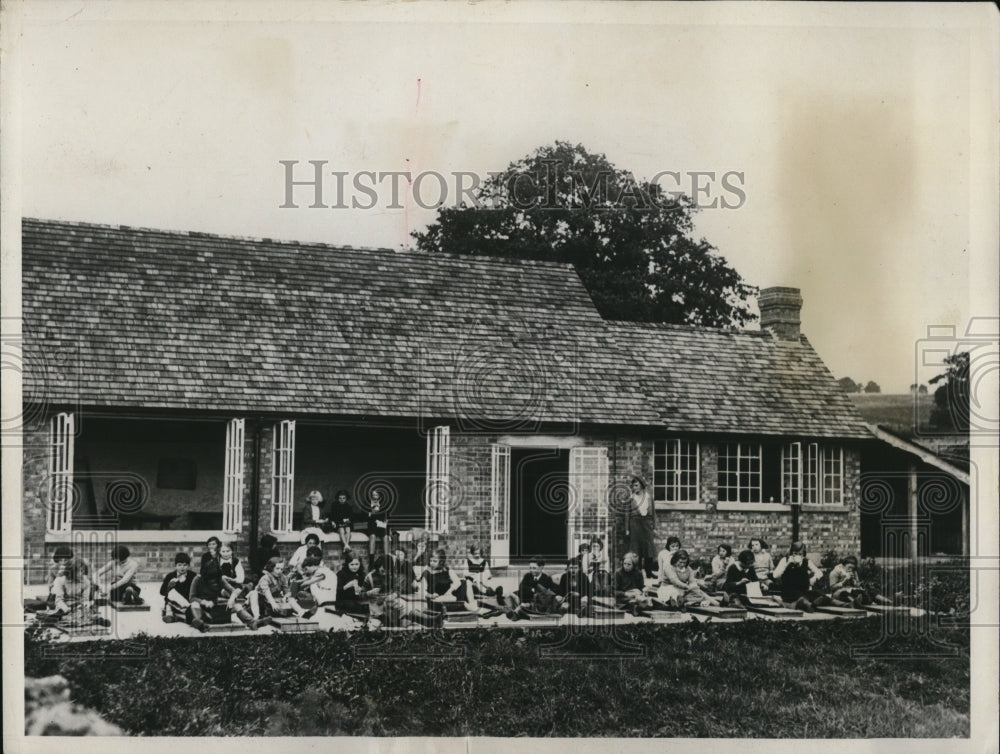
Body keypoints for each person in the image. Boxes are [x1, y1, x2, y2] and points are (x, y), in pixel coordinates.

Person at [190, 553, 260, 631]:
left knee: (237, 606)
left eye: (215, 580)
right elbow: (192, 598)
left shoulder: (220, 579)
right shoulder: (197, 579)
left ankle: (252, 622)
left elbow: (234, 591)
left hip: (215, 608)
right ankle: (199, 623)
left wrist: (232, 598)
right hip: (201, 609)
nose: (213, 582)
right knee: (194, 604)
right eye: (211, 580)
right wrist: (204, 602)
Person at [44, 560, 110, 628]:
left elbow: (85, 599)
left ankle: (91, 620)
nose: (82, 574)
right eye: (80, 571)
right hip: (63, 606)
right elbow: (58, 600)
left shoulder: (86, 581)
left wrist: (83, 606)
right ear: (72, 571)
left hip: (78, 606)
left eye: (83, 571)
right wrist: (67, 609)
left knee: (86, 612)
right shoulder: (60, 580)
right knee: (59, 617)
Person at [250, 557, 316, 623]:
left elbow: (287, 591)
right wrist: (273, 603)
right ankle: (257, 617)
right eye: (277, 568)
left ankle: (302, 613)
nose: (280, 571)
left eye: (281, 569)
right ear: (271, 568)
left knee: (290, 598)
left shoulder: (282, 577)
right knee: (253, 593)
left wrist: (286, 596)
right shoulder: (265, 578)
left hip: (273, 601)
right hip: (261, 601)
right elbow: (267, 592)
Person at [771, 542, 828, 612]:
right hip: (789, 592)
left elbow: (819, 573)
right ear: (791, 553)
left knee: (820, 595)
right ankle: (809, 605)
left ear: (803, 554)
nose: (797, 556)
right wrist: (787, 564)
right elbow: (775, 575)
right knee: (801, 598)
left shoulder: (806, 561)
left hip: (803, 591)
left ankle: (842, 604)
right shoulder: (785, 560)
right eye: (795, 553)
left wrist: (813, 579)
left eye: (800, 554)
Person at [625, 476, 657, 578]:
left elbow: (653, 513)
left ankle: (648, 572)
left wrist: (654, 527)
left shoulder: (648, 497)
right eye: (633, 486)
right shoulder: (631, 499)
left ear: (642, 486)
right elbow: (627, 514)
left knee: (648, 548)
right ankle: (637, 572)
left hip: (647, 524)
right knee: (636, 549)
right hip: (635, 524)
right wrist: (627, 529)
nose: (634, 487)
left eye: (636, 485)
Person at [159, 552, 195, 622]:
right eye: (179, 565)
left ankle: (176, 616)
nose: (182, 567)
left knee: (192, 607)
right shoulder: (170, 576)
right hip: (173, 602)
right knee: (170, 601)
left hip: (187, 602)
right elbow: (162, 592)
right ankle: (171, 615)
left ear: (188, 566)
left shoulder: (192, 576)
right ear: (175, 566)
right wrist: (169, 586)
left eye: (185, 565)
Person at [219, 542, 249, 611]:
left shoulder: (236, 561)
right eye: (223, 551)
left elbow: (241, 579)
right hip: (220, 586)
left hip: (234, 585)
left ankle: (232, 600)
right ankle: (238, 605)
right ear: (220, 552)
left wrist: (230, 579)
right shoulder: (216, 562)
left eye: (228, 551)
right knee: (224, 591)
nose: (226, 553)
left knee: (237, 589)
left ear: (232, 551)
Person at [365, 488, 389, 557]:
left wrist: (385, 521)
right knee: (372, 536)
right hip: (371, 525)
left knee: (386, 537)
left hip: (381, 526)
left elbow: (386, 516)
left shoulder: (383, 505)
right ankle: (371, 562)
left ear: (379, 496)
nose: (375, 497)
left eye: (376, 495)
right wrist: (371, 512)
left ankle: (386, 560)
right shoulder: (367, 504)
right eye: (373, 495)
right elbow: (363, 516)